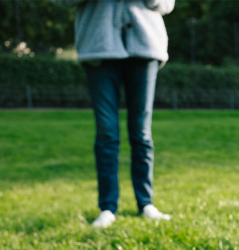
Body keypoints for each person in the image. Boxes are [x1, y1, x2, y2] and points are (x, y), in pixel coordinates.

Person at [59, 0, 175, 227]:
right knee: (106, 133)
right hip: (97, 45)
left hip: (145, 45)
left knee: (141, 133)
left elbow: (166, 3)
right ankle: (107, 207)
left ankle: (146, 203)